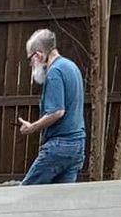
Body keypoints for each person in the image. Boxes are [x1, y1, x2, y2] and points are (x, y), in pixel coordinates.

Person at [16, 29, 86, 185]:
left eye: (29, 59)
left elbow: (57, 111)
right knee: (60, 203)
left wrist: (32, 127)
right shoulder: (71, 67)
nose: (30, 64)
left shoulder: (54, 72)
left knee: (26, 194)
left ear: (38, 55)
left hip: (59, 147)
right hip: (77, 146)